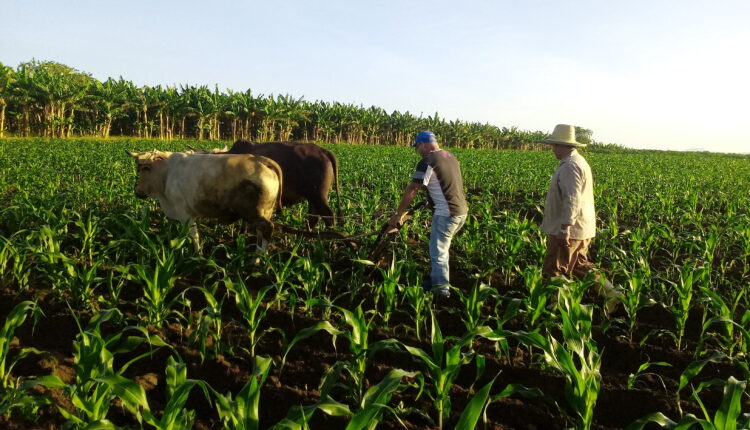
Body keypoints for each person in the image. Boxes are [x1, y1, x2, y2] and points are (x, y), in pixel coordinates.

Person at [538, 124, 622, 311]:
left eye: (555, 146)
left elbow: (572, 198)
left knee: (556, 268)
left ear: (564, 146)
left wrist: (565, 228)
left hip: (570, 229)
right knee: (579, 265)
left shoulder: (570, 166)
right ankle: (612, 293)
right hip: (581, 227)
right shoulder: (578, 162)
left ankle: (555, 308)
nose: (553, 149)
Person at [388, 131, 468, 298]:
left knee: (438, 252)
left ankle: (441, 291)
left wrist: (398, 214)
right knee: (441, 249)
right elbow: (445, 183)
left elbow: (413, 189)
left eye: (417, 147)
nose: (418, 151)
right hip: (461, 212)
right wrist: (430, 201)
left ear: (422, 144)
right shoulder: (450, 156)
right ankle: (436, 280)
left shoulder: (427, 161)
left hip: (447, 214)